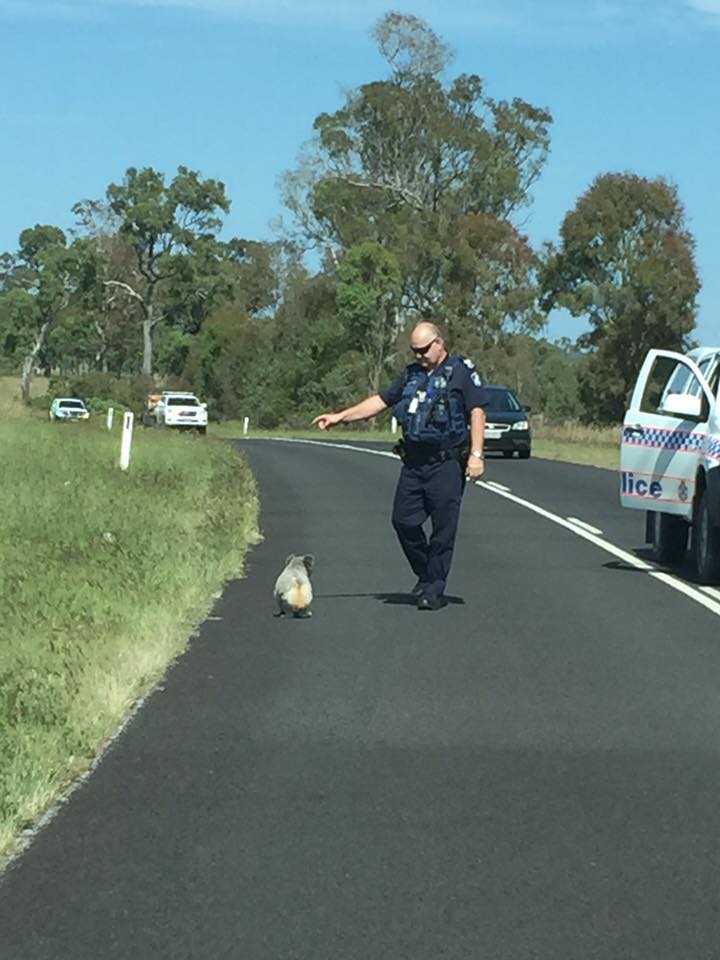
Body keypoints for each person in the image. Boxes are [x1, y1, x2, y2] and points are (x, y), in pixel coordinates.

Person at [312, 321, 488, 611]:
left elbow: (477, 412)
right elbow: (380, 401)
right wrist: (340, 416)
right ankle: (426, 573)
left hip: (445, 463)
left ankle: (434, 588)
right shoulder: (411, 375)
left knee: (443, 529)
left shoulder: (461, 372)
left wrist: (477, 455)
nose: (419, 356)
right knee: (403, 521)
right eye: (414, 350)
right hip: (414, 462)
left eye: (423, 350)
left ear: (439, 343)